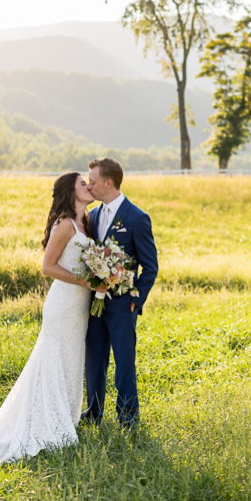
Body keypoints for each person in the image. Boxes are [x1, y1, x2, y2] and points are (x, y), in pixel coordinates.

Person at [0, 172, 105, 463]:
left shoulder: (87, 222)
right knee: (53, 358)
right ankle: (46, 420)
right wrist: (85, 282)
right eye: (83, 183)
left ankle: (65, 415)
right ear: (71, 192)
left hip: (80, 307)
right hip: (63, 303)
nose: (89, 186)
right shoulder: (65, 224)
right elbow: (48, 267)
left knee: (70, 358)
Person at [81, 157, 158, 429]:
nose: (89, 186)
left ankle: (127, 420)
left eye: (92, 181)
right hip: (94, 305)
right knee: (94, 361)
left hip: (124, 306)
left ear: (108, 182)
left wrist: (136, 300)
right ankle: (92, 414)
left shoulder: (137, 218)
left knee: (124, 364)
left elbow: (150, 266)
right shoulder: (91, 216)